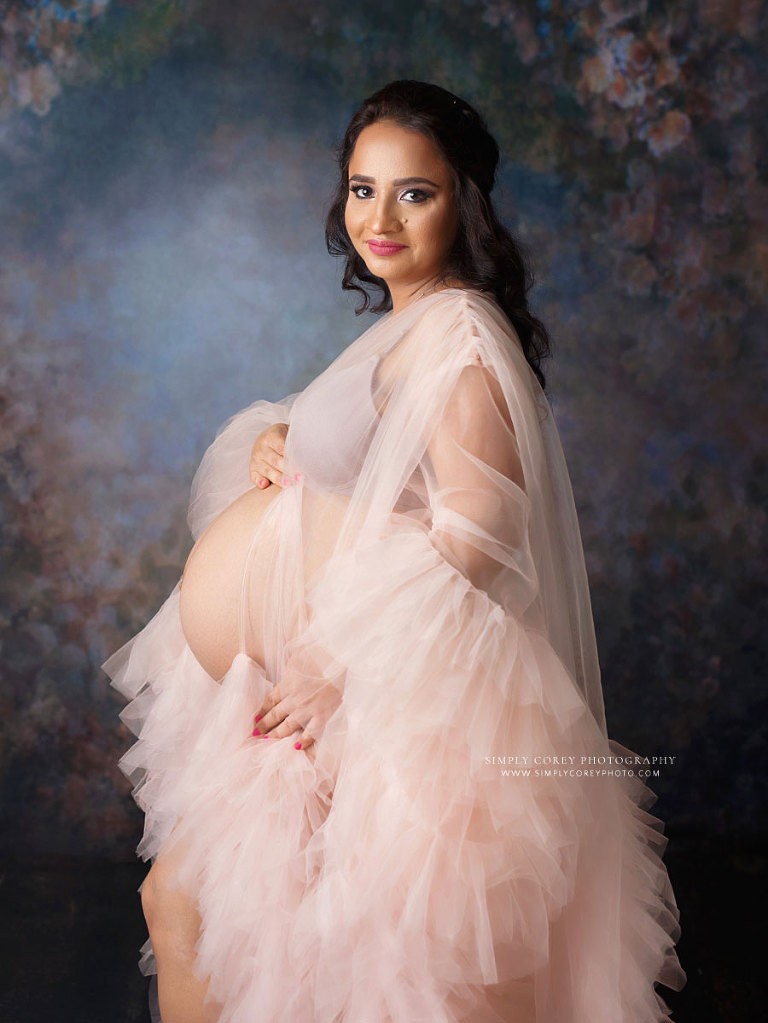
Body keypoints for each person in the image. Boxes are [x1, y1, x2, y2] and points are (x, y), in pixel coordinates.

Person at [104, 80, 687, 1023]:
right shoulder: (410, 323)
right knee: (214, 919)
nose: (380, 215)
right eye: (363, 188)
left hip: (379, 694)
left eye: (414, 192)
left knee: (383, 971)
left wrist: (339, 662)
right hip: (321, 695)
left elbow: (476, 527)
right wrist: (284, 438)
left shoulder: (459, 333)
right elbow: (385, 471)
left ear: (465, 202)